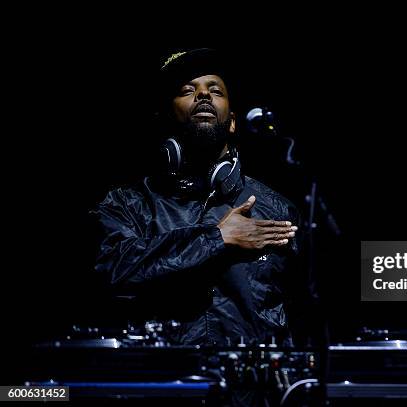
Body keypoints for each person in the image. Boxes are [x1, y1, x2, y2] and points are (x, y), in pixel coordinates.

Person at [91, 48, 301, 347]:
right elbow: (111, 274)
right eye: (188, 90)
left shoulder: (278, 208)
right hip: (165, 383)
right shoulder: (126, 204)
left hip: (251, 389)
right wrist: (217, 237)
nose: (203, 95)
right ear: (166, 116)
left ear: (232, 122)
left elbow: (304, 308)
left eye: (215, 90)